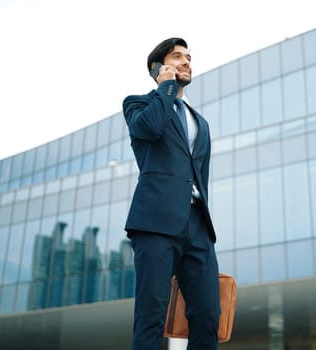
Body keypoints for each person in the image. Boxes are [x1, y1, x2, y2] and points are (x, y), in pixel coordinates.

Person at [122, 37, 220, 350]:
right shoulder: (138, 104)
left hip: (197, 225)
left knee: (208, 314)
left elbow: (199, 173)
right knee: (151, 311)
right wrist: (165, 87)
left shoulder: (199, 122)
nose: (187, 61)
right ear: (159, 67)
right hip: (155, 221)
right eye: (178, 57)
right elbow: (150, 128)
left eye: (189, 57)